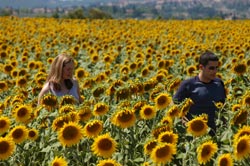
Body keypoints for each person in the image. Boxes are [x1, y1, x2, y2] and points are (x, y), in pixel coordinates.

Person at [172, 51, 226, 136]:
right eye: (211, 68)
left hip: (215, 133)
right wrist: (181, 118)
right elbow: (174, 104)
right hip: (194, 134)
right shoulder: (188, 85)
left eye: (216, 67)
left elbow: (223, 105)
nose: (215, 71)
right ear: (201, 67)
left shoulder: (219, 83)